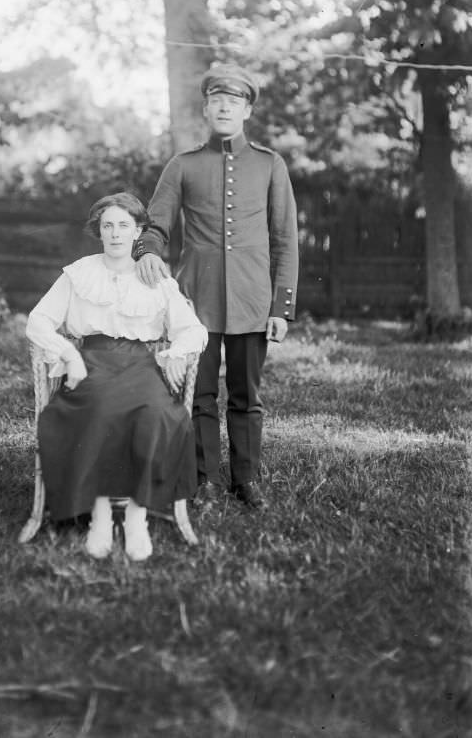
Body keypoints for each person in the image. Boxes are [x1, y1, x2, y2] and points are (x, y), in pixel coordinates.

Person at [134, 64, 299, 511]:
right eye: (216, 99)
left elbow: (285, 237)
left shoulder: (269, 164)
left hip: (252, 300)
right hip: (196, 301)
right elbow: (157, 220)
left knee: (246, 397)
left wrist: (280, 307)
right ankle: (204, 479)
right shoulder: (183, 164)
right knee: (200, 394)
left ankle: (246, 480)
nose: (225, 106)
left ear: (247, 109)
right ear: (206, 107)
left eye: (234, 100)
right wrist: (147, 250)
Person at [26, 192, 207, 562]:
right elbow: (37, 321)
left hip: (142, 366)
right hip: (92, 362)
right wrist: (69, 355)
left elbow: (194, 330)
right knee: (100, 409)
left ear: (138, 230)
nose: (115, 233)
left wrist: (174, 354)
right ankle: (102, 514)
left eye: (124, 225)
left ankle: (137, 516)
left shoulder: (155, 276)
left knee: (157, 413)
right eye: (107, 225)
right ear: (99, 231)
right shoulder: (80, 273)